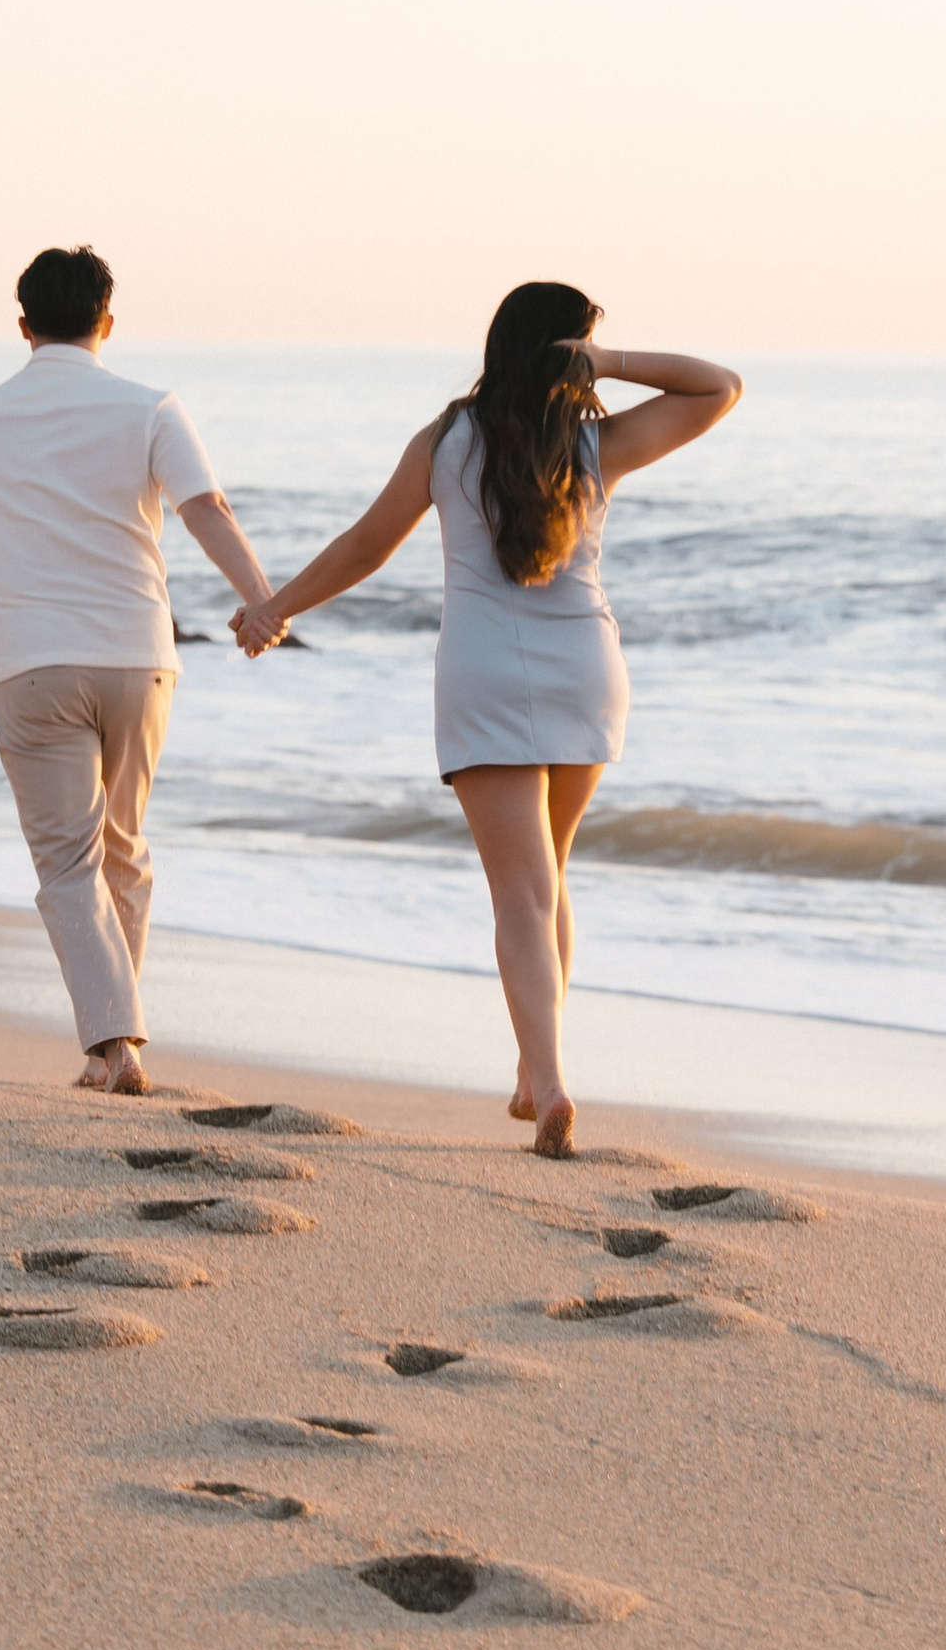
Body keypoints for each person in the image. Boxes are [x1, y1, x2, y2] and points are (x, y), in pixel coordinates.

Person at [236, 282, 741, 1156]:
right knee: (552, 876)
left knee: (521, 890)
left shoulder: (443, 442)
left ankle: (543, 1081)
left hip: (482, 673)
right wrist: (609, 367)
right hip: (585, 665)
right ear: (566, 353)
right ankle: (533, 1072)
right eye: (584, 348)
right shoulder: (598, 442)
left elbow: (366, 546)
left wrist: (275, 608)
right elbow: (718, 385)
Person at [0, 244, 272, 1095]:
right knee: (123, 850)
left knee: (67, 866)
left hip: (33, 665)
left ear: (22, 327)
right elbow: (206, 510)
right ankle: (109, 1050)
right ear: (106, 323)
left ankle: (116, 1045)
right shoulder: (150, 405)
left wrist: (16, 540)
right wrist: (264, 600)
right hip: (138, 661)